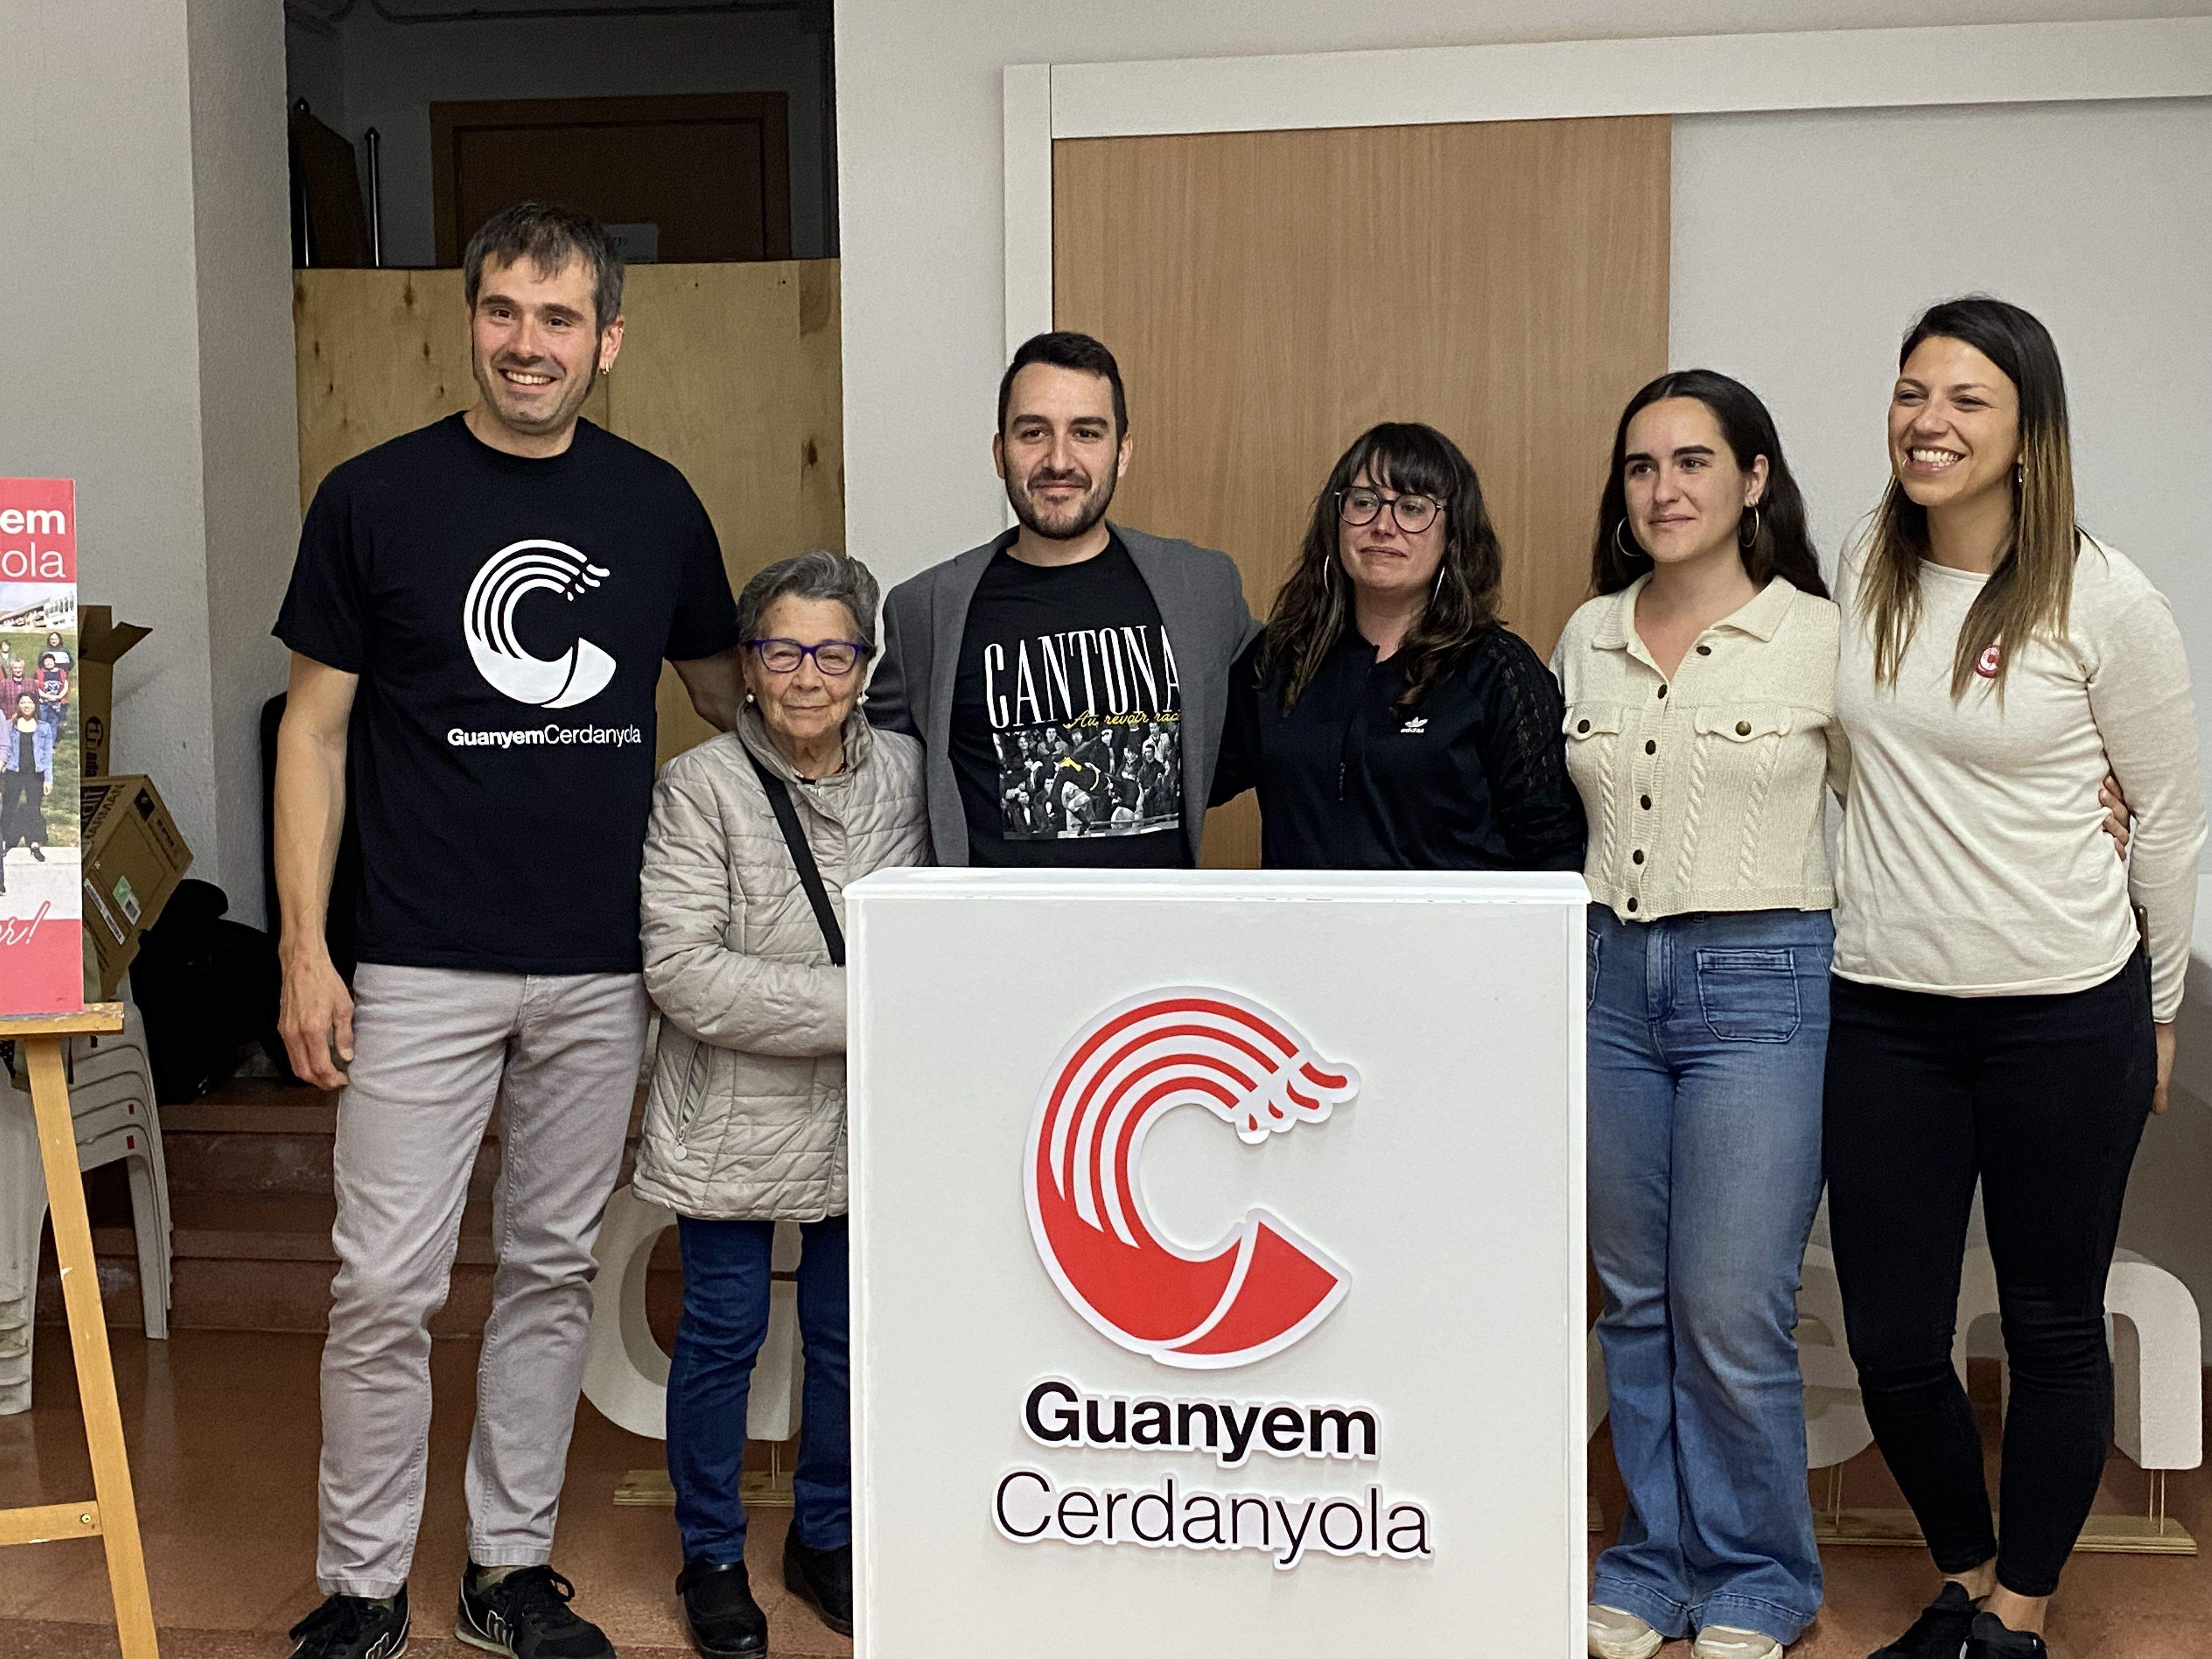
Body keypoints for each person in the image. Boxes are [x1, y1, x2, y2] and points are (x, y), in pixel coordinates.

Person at [271, 200, 747, 1659]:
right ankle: (360, 1585)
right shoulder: (373, 498)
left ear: (606, 341)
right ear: (466, 321)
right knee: (387, 1284)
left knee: (551, 1272)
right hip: (415, 960)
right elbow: (316, 733)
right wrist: (304, 950)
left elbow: (737, 705)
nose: (525, 344)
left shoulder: (657, 506)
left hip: (603, 966)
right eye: (501, 313)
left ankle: (506, 1569)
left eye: (557, 320)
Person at [1827, 296, 2204, 1659]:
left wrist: (2155, 1013)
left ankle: (2023, 1615)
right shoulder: (1865, 564)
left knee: (2051, 1326)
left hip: (2064, 1012)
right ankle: (1970, 1570)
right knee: (1893, 1335)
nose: (1930, 422)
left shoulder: (2103, 596)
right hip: (1884, 1009)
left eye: (1967, 399)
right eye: (1912, 391)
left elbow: (2166, 816)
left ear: (2031, 433)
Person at [1554, 373, 1839, 1659]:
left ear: (1755, 479)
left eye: (1693, 462)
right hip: (1611, 981)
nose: (1663, 490)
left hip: (1762, 982)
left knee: (1730, 1303)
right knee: (1635, 1299)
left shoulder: (1821, 639)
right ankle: (1654, 1562)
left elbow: (1918, 797)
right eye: (1640, 467)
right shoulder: (1587, 635)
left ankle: (1761, 1577)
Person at [635, 549, 927, 1657]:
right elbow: (684, 973)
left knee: (850, 1340)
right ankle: (711, 1554)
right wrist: (871, 1001)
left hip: (868, 1118)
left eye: (833, 650)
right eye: (782, 650)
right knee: (722, 1336)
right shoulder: (697, 787)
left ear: (865, 664)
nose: (808, 674)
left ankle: (827, 1536)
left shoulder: (907, 775)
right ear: (748, 668)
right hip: (733, 1116)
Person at [866, 331, 1256, 866]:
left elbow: (1288, 722)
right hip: (992, 942)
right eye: (1033, 433)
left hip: (1159, 939)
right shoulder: (926, 611)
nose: (1059, 460)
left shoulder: (1201, 588)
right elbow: (864, 789)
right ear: (1001, 453)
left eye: (1086, 433)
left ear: (1122, 453)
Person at [1211, 421, 1585, 870]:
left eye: (1413, 508)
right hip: (1302, 937)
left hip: (1455, 939)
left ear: (1454, 536)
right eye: (1364, 502)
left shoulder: (1498, 671)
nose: (1383, 526)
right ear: (1337, 521)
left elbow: (1552, 855)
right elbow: (1193, 780)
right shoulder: (1278, 659)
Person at [0, 691, 54, 891]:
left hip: (35, 774)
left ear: (35, 705)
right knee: (8, 808)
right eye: (22, 702)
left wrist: (48, 779)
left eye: (30, 702)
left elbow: (48, 755)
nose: (26, 706)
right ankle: (4, 842)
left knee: (33, 809)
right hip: (13, 772)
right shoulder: (8, 725)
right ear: (18, 705)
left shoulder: (44, 728)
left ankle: (34, 843)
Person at [33, 652, 67, 733]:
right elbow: (36, 687)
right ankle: (42, 742)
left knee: (54, 722)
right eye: (46, 661)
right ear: (43, 663)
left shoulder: (62, 672)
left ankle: (51, 743)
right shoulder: (39, 673)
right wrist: (45, 696)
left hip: (57, 703)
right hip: (43, 703)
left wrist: (59, 697)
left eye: (51, 661)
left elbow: (66, 687)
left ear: (54, 662)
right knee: (42, 722)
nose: (49, 663)